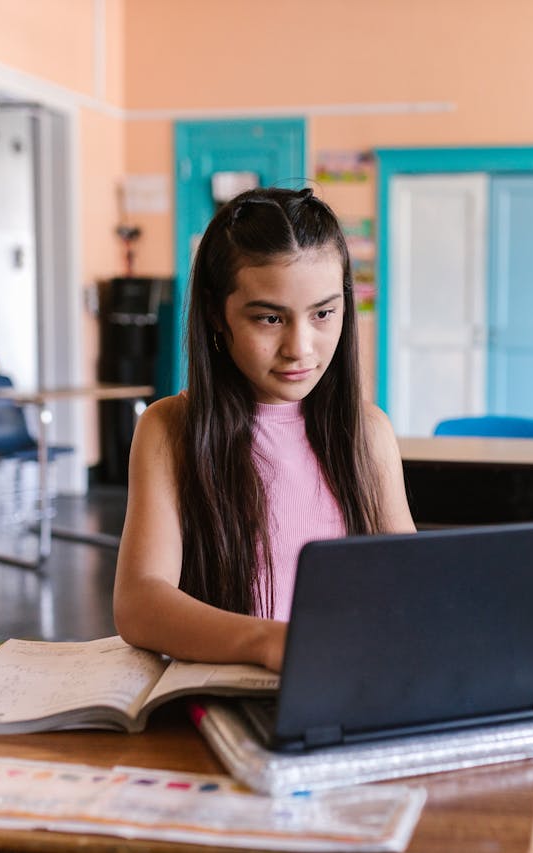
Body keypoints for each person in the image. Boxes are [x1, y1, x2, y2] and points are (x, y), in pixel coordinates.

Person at [113, 187, 416, 672]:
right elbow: (140, 604)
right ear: (217, 313)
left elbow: (411, 582)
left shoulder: (368, 431)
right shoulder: (169, 429)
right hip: (229, 698)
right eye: (270, 318)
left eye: (323, 313)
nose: (300, 347)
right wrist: (270, 642)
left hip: (349, 684)